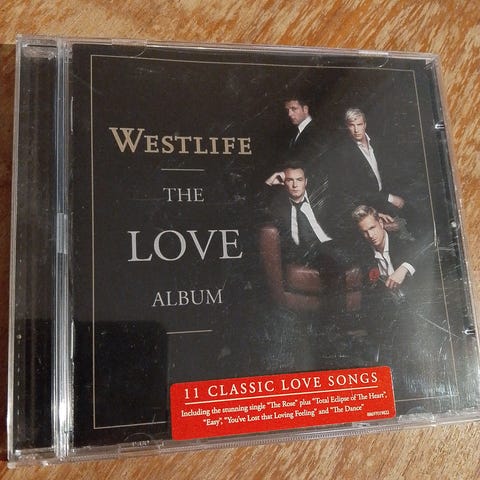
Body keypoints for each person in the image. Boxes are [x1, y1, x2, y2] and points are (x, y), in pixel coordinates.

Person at [328, 108, 408, 234]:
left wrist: (394, 197)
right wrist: (389, 199)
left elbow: (391, 173)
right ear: (347, 127)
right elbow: (353, 192)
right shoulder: (343, 154)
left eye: (359, 124)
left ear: (365, 124)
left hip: (387, 198)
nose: (356, 130)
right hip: (367, 206)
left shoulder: (377, 142)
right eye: (352, 125)